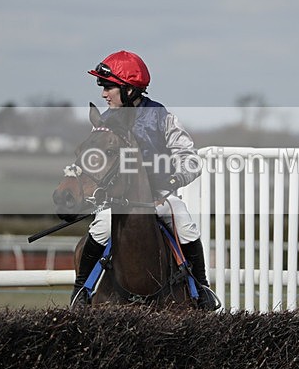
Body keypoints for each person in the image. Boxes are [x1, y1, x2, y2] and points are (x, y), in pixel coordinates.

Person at [70, 50, 218, 310]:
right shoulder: (104, 122)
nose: (103, 94)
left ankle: (202, 288)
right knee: (101, 226)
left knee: (184, 223)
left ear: (128, 89)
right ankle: (82, 288)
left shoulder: (162, 116)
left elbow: (190, 159)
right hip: (119, 199)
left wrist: (173, 179)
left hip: (160, 195)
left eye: (108, 87)